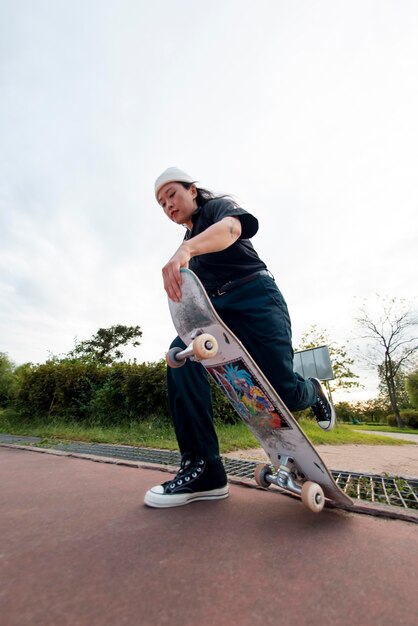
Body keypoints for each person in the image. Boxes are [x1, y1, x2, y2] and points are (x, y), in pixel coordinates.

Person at [144, 167, 336, 508]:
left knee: (285, 395)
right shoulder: (184, 247)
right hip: (216, 314)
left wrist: (186, 251)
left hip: (256, 298)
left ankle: (313, 391)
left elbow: (232, 230)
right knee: (181, 358)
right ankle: (205, 469)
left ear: (192, 190)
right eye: (161, 204)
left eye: (172, 194)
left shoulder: (218, 209)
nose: (168, 205)